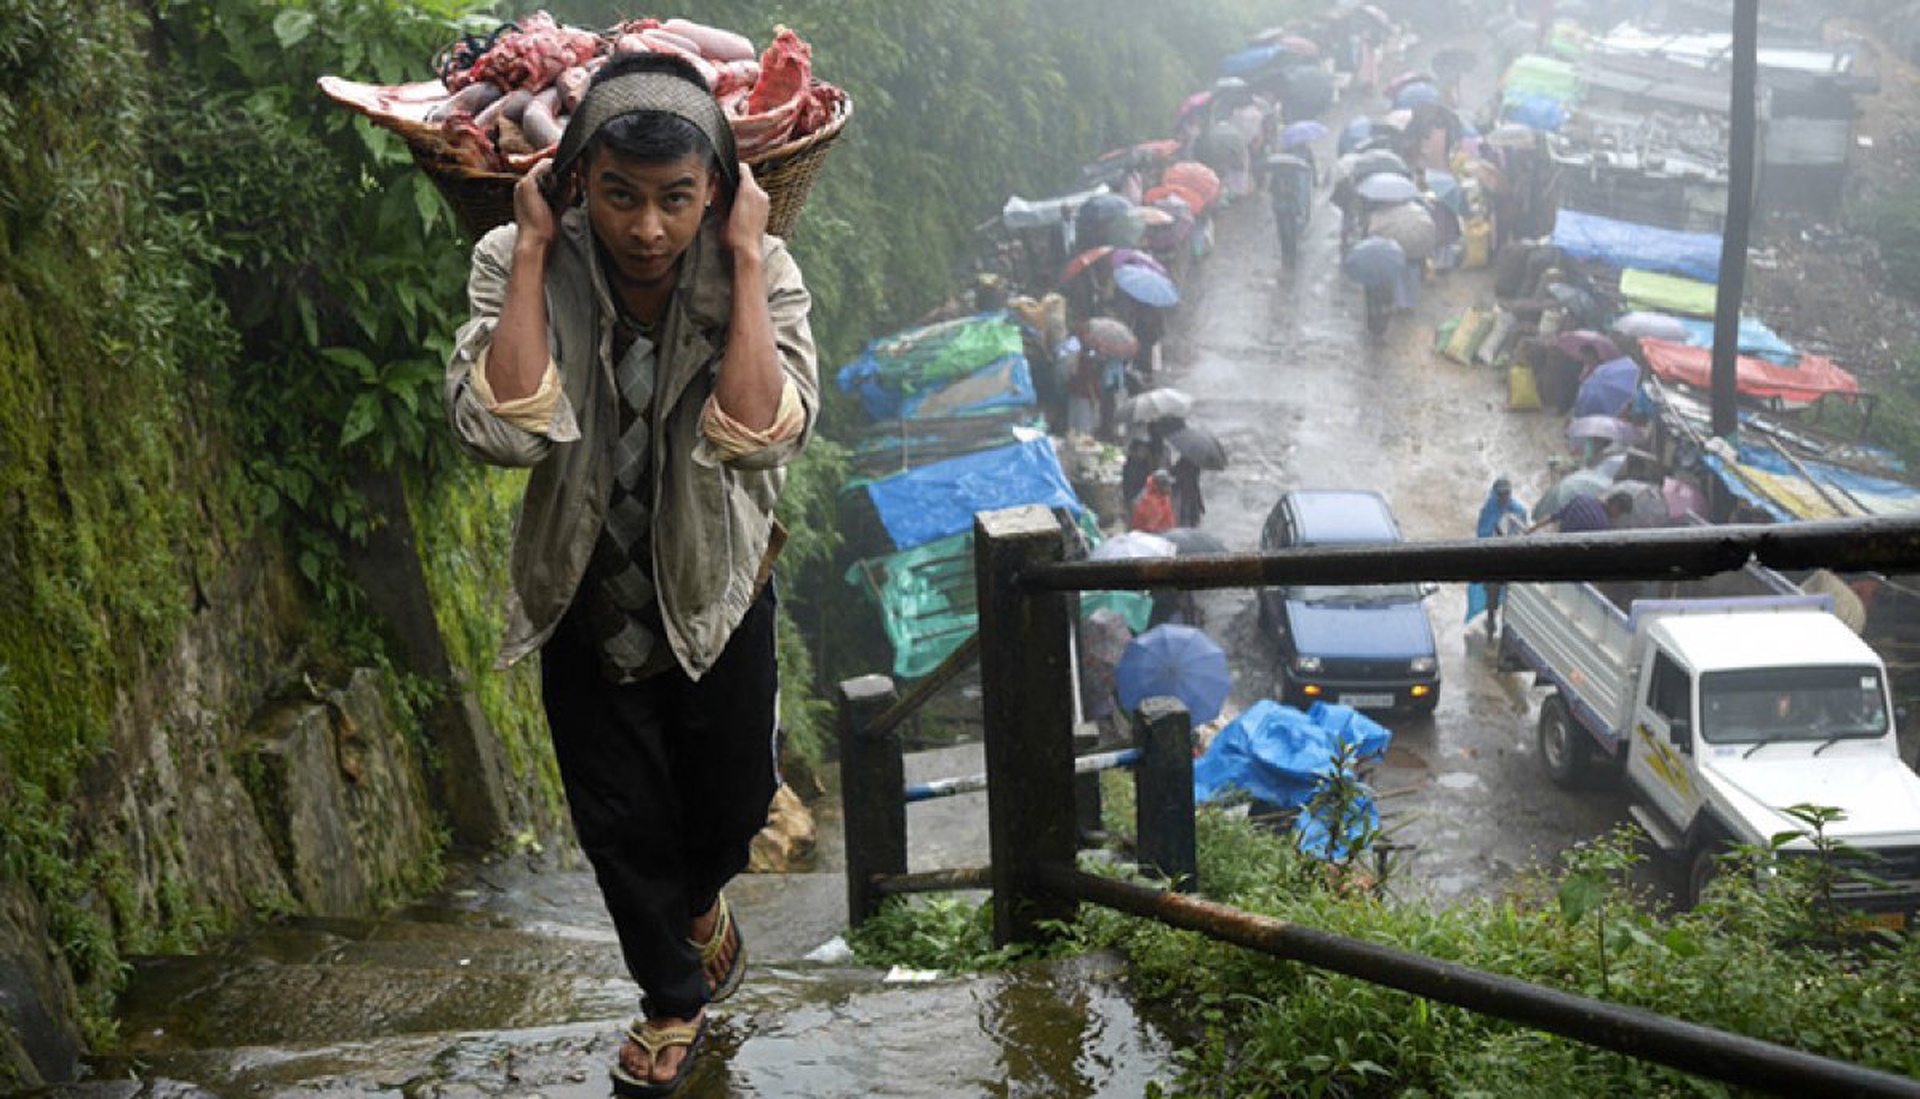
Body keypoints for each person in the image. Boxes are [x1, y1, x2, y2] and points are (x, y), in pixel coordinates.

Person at [442, 53, 818, 1097]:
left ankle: (701, 908)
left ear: (717, 193)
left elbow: (758, 437)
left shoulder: (761, 269)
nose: (647, 228)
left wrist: (743, 261)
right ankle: (670, 999)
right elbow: (502, 434)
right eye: (618, 195)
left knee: (736, 797)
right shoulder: (518, 258)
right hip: (581, 588)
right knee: (617, 819)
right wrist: (527, 255)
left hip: (716, 588)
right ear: (576, 183)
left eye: (675, 200)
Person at [1470, 478, 1529, 638]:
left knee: (1512, 598)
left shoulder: (1518, 510)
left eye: (1507, 493)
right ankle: (1491, 626)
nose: (1504, 497)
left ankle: (1506, 626)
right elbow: (1482, 533)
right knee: (1492, 595)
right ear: (1496, 494)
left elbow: (1523, 535)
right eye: (1501, 494)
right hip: (1494, 560)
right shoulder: (1489, 509)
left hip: (1512, 560)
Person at [1528, 491, 1630, 534]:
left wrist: (1531, 529)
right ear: (1615, 506)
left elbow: (1553, 517)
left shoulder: (1583, 498)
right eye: (1620, 512)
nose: (1618, 516)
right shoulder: (1602, 525)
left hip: (1558, 541)